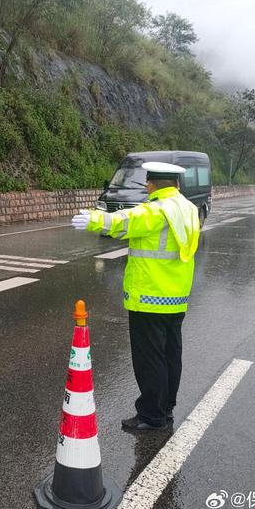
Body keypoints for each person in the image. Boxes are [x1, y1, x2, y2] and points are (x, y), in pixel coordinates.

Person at [71, 162, 200, 431]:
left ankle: (152, 416)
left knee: (150, 359)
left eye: (147, 183)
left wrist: (92, 219)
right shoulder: (187, 208)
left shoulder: (156, 210)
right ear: (176, 183)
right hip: (176, 297)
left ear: (150, 184)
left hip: (149, 298)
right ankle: (165, 408)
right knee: (170, 355)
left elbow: (124, 222)